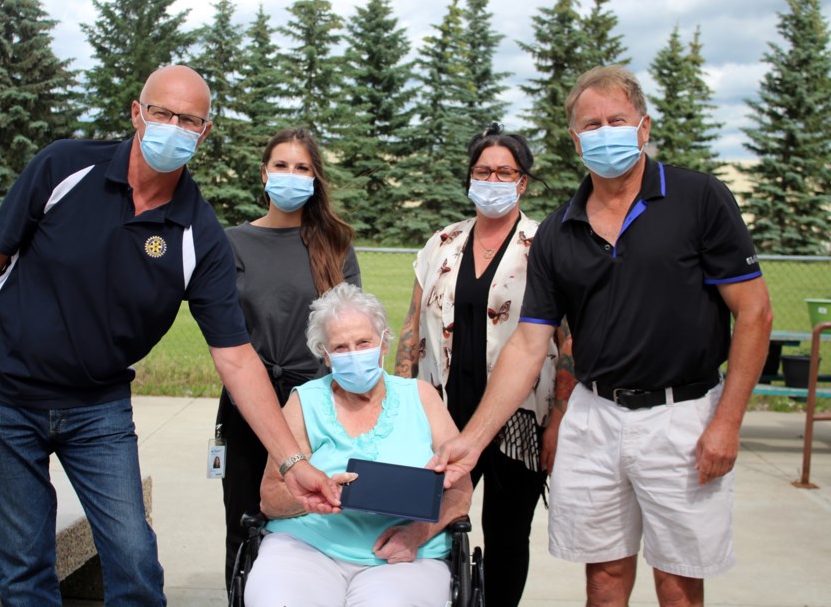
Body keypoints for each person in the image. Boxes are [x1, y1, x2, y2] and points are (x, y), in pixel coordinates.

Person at [0, 65, 340, 606]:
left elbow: (237, 358)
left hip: (97, 409)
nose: (173, 126)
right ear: (136, 113)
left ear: (204, 132)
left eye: (188, 119)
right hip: (4, 395)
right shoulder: (62, 167)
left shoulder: (201, 235)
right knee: (24, 565)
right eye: (162, 113)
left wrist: (292, 462)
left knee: (135, 561)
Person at [432, 65, 773, 607]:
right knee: (604, 577)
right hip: (597, 415)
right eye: (591, 123)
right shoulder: (559, 230)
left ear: (644, 127)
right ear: (575, 139)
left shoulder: (699, 197)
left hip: (682, 415)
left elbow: (754, 313)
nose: (604, 130)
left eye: (617, 119)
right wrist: (470, 443)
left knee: (678, 581)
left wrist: (727, 421)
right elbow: (528, 344)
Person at [395, 122, 574, 606]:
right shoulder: (443, 242)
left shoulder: (546, 244)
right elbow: (412, 328)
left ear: (522, 181)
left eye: (504, 172)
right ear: (469, 177)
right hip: (442, 415)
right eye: (482, 171)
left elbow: (567, 342)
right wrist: (398, 402)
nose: (492, 180)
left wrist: (557, 419)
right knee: (428, 525)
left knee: (507, 537)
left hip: (517, 423)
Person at [244, 283, 473, 607]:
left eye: (363, 342)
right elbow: (270, 498)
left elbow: (461, 489)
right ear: (324, 354)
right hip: (308, 548)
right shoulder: (304, 401)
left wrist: (419, 533)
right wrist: (312, 499)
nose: (354, 354)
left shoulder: (421, 397)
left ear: (383, 343)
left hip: (406, 555)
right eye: (340, 347)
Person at [217, 127, 360, 589]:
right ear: (264, 173)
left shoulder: (334, 243)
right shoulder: (232, 243)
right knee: (244, 517)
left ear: (315, 178)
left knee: (307, 516)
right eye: (281, 166)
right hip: (249, 403)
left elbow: (350, 326)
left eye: (302, 168)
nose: (291, 176)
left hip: (316, 404)